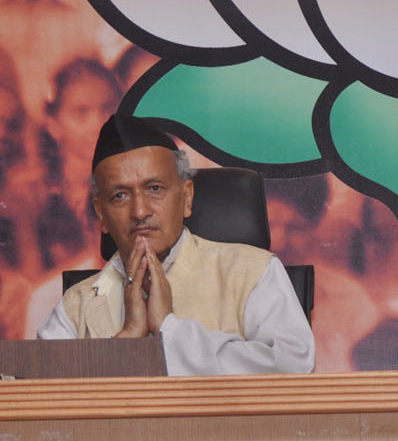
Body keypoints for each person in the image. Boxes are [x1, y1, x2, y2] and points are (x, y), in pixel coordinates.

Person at [37, 115, 315, 375]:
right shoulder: (78, 304)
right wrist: (126, 342)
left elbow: (292, 364)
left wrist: (168, 329)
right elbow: (35, 396)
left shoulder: (251, 271)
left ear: (186, 197)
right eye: (120, 195)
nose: (140, 211)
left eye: (154, 189)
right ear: (101, 214)